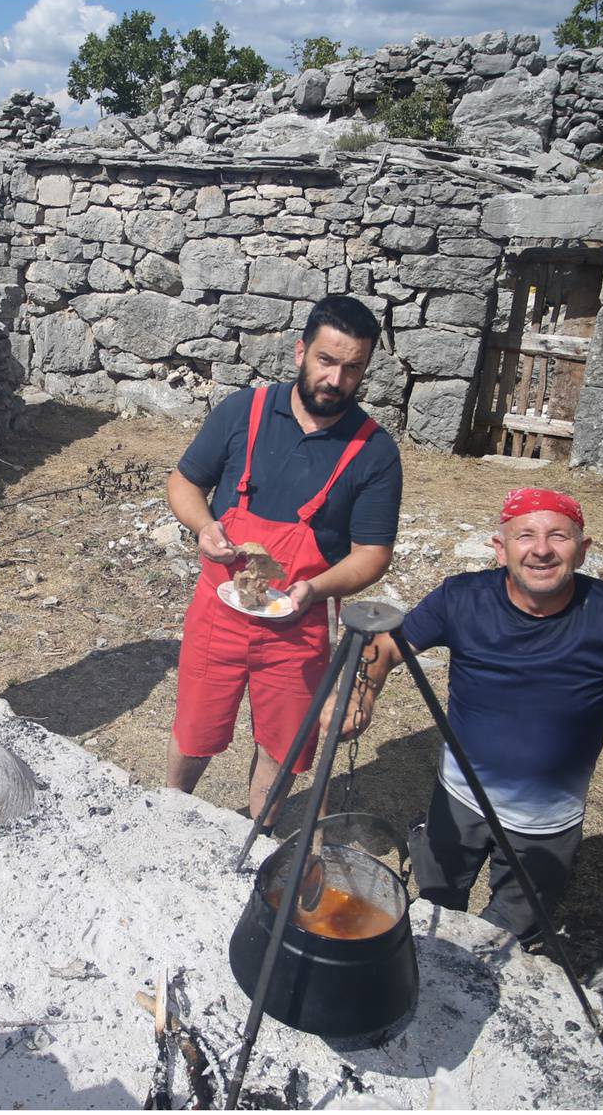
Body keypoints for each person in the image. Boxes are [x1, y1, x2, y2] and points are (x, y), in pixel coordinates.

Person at [327, 488, 603, 945]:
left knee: (510, 937)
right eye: (525, 535)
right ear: (501, 548)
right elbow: (388, 646)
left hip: (548, 821)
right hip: (457, 801)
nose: (542, 549)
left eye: (559, 536)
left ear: (583, 550)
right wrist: (360, 692)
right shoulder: (462, 598)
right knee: (434, 909)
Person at [166, 295, 403, 821]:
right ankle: (166, 814)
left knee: (282, 743)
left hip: (300, 624)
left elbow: (372, 554)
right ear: (300, 352)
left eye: (352, 368)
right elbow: (184, 482)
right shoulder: (242, 412)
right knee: (195, 729)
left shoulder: (374, 451)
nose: (336, 379)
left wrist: (314, 588)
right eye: (326, 360)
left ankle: (259, 835)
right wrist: (205, 526)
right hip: (218, 612)